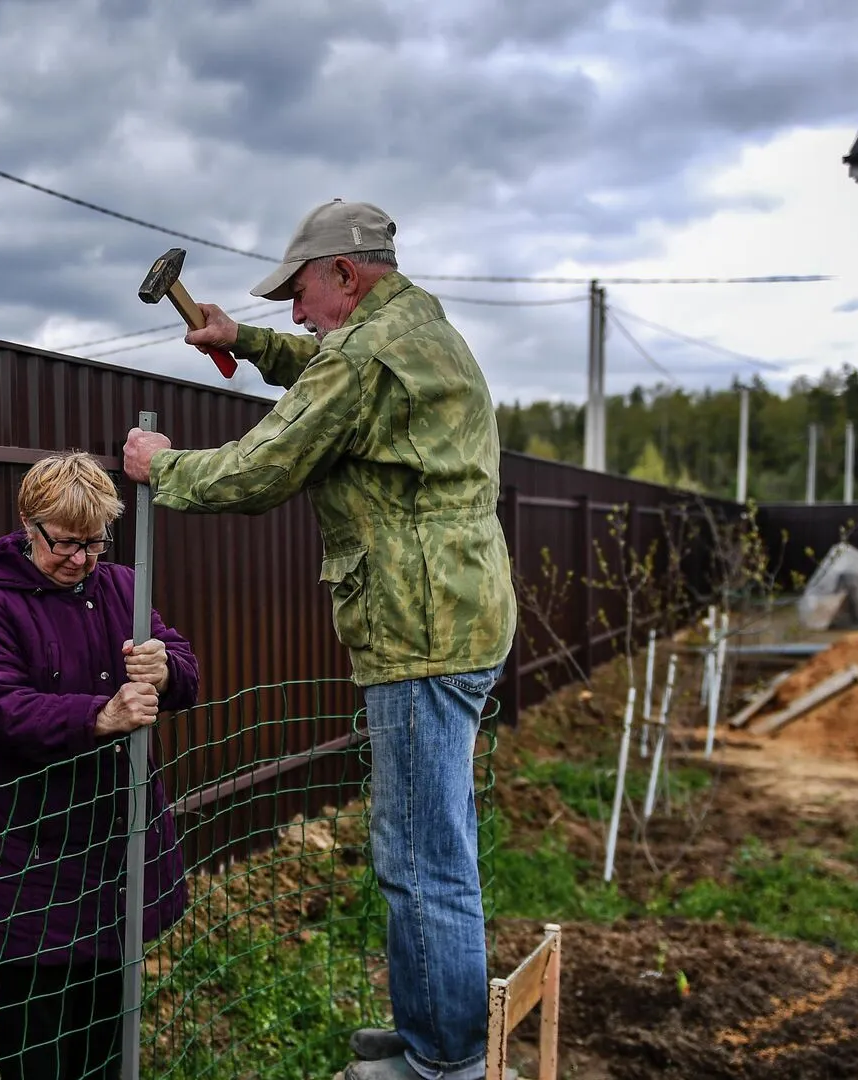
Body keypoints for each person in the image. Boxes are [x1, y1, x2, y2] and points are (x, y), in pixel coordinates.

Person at [122, 199, 515, 1080]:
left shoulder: (368, 353)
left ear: (346, 273)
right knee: (429, 845)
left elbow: (268, 464)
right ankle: (430, 1033)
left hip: (419, 629)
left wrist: (165, 468)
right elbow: (328, 370)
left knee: (420, 857)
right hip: (457, 614)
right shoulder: (411, 324)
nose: (292, 314)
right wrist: (247, 341)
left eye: (299, 293)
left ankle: (444, 1062)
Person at [0, 450, 199, 1080]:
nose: (82, 559)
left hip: (112, 848)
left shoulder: (119, 587)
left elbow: (179, 658)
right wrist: (99, 716)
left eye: (95, 543)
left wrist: (166, 669)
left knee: (106, 1030)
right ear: (29, 526)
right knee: (37, 1040)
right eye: (65, 543)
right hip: (26, 853)